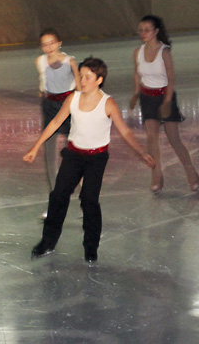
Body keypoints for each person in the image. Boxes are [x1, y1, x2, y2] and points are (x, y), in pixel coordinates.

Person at [23, 57, 155, 264]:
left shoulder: (107, 103)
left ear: (99, 80)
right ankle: (47, 242)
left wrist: (141, 152)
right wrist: (35, 147)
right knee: (58, 196)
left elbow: (125, 131)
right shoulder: (73, 99)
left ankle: (91, 247)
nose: (82, 81)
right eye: (81, 76)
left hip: (96, 158)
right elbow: (55, 122)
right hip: (73, 155)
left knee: (89, 200)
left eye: (87, 77)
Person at [129, 15, 199, 194]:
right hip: (147, 98)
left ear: (156, 31)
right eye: (141, 30)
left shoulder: (164, 52)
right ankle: (156, 174)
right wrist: (136, 93)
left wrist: (168, 101)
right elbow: (137, 74)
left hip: (164, 96)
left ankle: (191, 172)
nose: (143, 33)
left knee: (174, 138)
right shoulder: (138, 52)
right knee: (152, 138)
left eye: (147, 30)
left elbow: (170, 78)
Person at [35, 29, 81, 189]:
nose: (49, 47)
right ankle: (54, 189)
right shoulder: (40, 61)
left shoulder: (70, 62)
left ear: (59, 43)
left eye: (52, 43)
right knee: (49, 148)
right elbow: (43, 82)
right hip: (49, 106)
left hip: (68, 105)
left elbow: (79, 86)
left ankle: (82, 183)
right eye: (44, 45)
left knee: (75, 146)